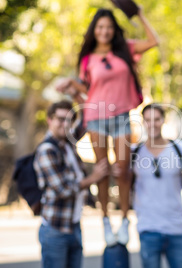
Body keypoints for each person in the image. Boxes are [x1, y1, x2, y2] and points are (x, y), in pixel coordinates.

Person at [56, 7, 159, 246]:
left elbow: (154, 41)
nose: (104, 31)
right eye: (100, 27)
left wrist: (140, 14)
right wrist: (71, 84)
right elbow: (87, 89)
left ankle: (124, 219)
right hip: (96, 118)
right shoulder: (87, 58)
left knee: (122, 171)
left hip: (122, 117)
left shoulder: (126, 50)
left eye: (109, 27)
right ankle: (104, 220)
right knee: (102, 170)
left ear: (114, 30)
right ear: (95, 30)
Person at [34, 100, 118, 268]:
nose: (65, 124)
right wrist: (94, 177)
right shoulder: (47, 150)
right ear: (49, 120)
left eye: (69, 120)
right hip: (56, 230)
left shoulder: (67, 143)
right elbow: (63, 189)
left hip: (74, 227)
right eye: (60, 119)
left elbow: (86, 121)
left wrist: (79, 94)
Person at [131, 103, 182, 268]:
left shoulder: (180, 149)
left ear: (163, 121)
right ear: (143, 122)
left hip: (176, 228)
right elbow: (124, 184)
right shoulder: (134, 153)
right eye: (148, 120)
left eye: (156, 119)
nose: (152, 124)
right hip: (148, 229)